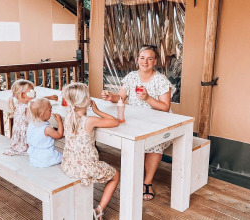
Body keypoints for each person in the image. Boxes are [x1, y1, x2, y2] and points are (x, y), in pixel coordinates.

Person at [101, 45, 175, 201]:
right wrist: (111, 97)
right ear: (137, 60)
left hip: (158, 122)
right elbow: (120, 97)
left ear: (155, 61)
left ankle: (147, 182)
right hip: (135, 121)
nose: (145, 62)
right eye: (142, 58)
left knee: (154, 144)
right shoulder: (131, 77)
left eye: (149, 58)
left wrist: (148, 98)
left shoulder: (161, 80)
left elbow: (165, 107)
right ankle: (134, 174)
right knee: (130, 138)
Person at [61, 83, 120, 220]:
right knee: (116, 175)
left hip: (69, 165)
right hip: (86, 168)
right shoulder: (89, 121)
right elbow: (114, 122)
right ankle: (99, 210)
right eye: (88, 96)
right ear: (85, 101)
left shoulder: (69, 117)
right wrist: (97, 110)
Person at [4, 79, 58, 156]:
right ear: (22, 95)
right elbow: (38, 104)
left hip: (17, 136)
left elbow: (37, 100)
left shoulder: (17, 103)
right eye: (32, 91)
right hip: (26, 136)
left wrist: (49, 97)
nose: (35, 92)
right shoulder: (27, 107)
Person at [26, 97, 63, 167]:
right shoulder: (47, 129)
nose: (51, 112)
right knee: (63, 156)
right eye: (50, 110)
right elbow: (59, 135)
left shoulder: (31, 124)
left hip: (35, 157)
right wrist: (60, 122)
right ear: (42, 115)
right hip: (45, 158)